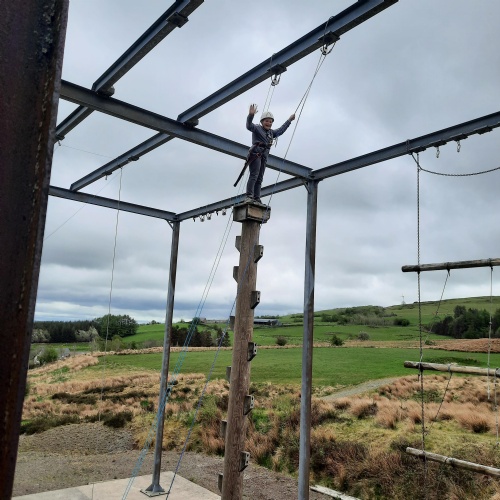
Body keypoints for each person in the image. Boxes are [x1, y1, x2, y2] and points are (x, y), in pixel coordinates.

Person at [244, 104, 295, 204]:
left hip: (264, 156)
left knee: (260, 178)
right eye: (266, 121)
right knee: (254, 175)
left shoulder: (271, 133)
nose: (269, 123)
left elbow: (281, 130)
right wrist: (250, 115)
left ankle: (256, 198)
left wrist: (289, 120)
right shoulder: (257, 128)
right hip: (256, 154)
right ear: (262, 122)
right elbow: (249, 126)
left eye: (270, 121)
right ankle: (249, 196)